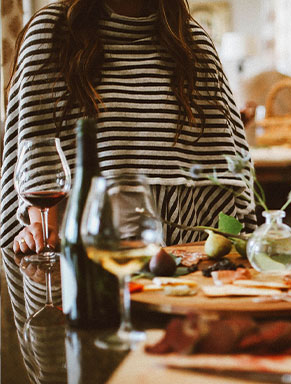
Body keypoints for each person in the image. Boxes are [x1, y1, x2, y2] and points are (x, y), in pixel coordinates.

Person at [2, 0, 256, 253]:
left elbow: (228, 169)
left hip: (190, 249)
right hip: (89, 250)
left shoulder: (192, 41)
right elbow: (37, 155)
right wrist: (43, 231)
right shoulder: (51, 32)